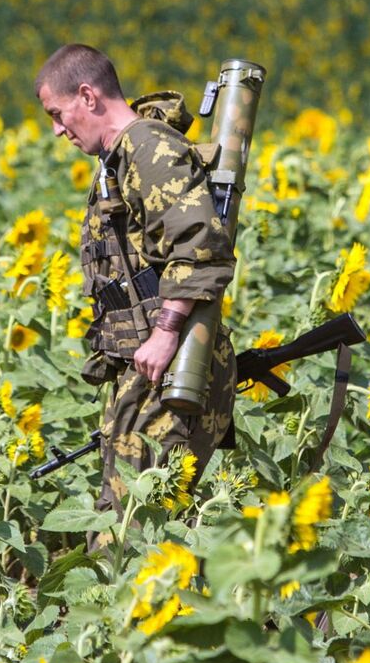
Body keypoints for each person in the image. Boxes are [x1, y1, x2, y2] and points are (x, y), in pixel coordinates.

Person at [35, 43, 236, 516]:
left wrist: (166, 331)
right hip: (147, 367)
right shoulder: (121, 158)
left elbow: (199, 244)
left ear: (87, 96)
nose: (57, 130)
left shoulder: (149, 149)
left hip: (173, 361)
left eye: (58, 114)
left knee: (134, 526)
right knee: (133, 519)